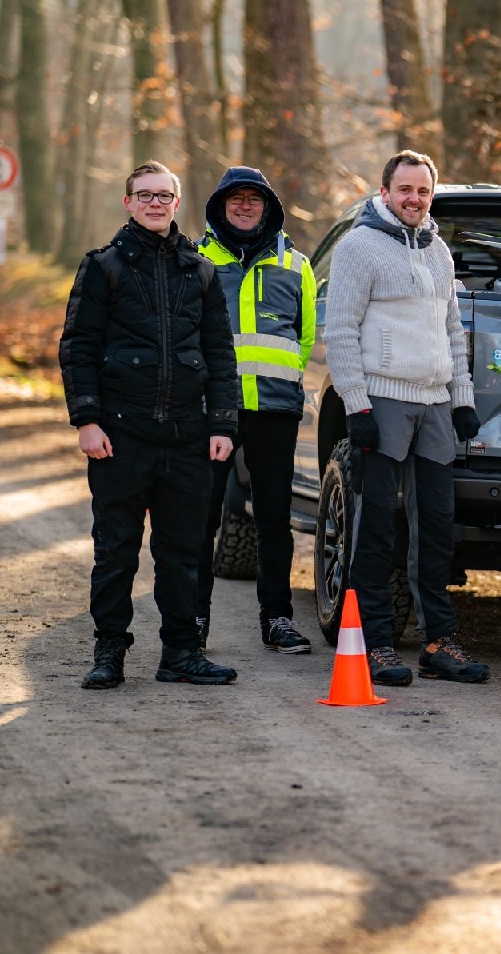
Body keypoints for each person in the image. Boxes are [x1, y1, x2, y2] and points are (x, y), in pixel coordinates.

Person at [59, 160, 241, 688]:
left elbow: (219, 354)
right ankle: (109, 653)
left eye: (165, 195)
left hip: (187, 437)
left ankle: (181, 653)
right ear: (129, 202)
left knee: (183, 554)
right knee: (115, 552)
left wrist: (222, 426)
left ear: (177, 203)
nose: (156, 203)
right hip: (120, 436)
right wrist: (87, 421)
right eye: (146, 195)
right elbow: (78, 347)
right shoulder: (104, 267)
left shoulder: (200, 269)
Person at [323, 149, 489, 687]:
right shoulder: (358, 247)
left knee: (436, 528)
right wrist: (357, 405)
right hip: (383, 403)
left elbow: (451, 332)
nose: (414, 199)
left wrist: (462, 398)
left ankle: (439, 642)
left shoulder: (440, 252)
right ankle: (374, 644)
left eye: (423, 191)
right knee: (374, 529)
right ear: (386, 192)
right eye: (405, 190)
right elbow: (340, 331)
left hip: (436, 404)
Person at [195, 167, 317, 655]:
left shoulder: (297, 264)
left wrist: (275, 379)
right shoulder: (195, 259)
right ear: (220, 206)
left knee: (273, 518)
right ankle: (193, 618)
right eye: (235, 199)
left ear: (268, 208)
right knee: (201, 519)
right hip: (211, 410)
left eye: (254, 200)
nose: (244, 207)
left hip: (274, 409)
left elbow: (304, 338)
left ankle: (278, 619)